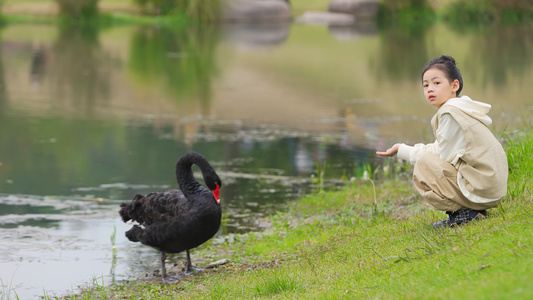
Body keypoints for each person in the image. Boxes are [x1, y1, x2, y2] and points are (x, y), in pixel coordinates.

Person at [376, 55, 508, 227]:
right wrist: (402, 149)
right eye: (426, 85)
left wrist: (406, 152)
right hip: (491, 186)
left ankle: (465, 213)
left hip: (482, 187)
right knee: (428, 161)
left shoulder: (449, 112)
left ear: (454, 86)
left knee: (424, 165)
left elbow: (442, 156)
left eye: (436, 83)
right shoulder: (460, 108)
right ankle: (471, 210)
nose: (430, 89)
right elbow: (440, 148)